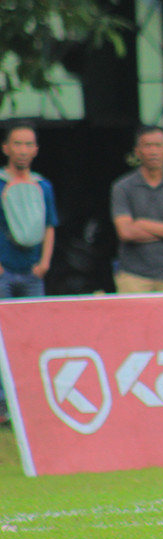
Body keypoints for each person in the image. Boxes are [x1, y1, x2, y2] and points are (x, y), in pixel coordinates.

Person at [0, 121, 59, 426]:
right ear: (6, 148)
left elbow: (49, 225)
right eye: (17, 144)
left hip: (33, 272)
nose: (23, 150)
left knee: (32, 336)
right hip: (4, 273)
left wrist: (45, 261)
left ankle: (29, 403)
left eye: (28, 144)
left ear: (36, 149)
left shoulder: (42, 185)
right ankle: (3, 405)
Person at [110, 126, 163, 293]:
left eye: (158, 145)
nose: (153, 151)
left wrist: (141, 223)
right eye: (147, 145)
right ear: (137, 151)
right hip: (132, 277)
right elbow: (125, 232)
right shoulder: (122, 188)